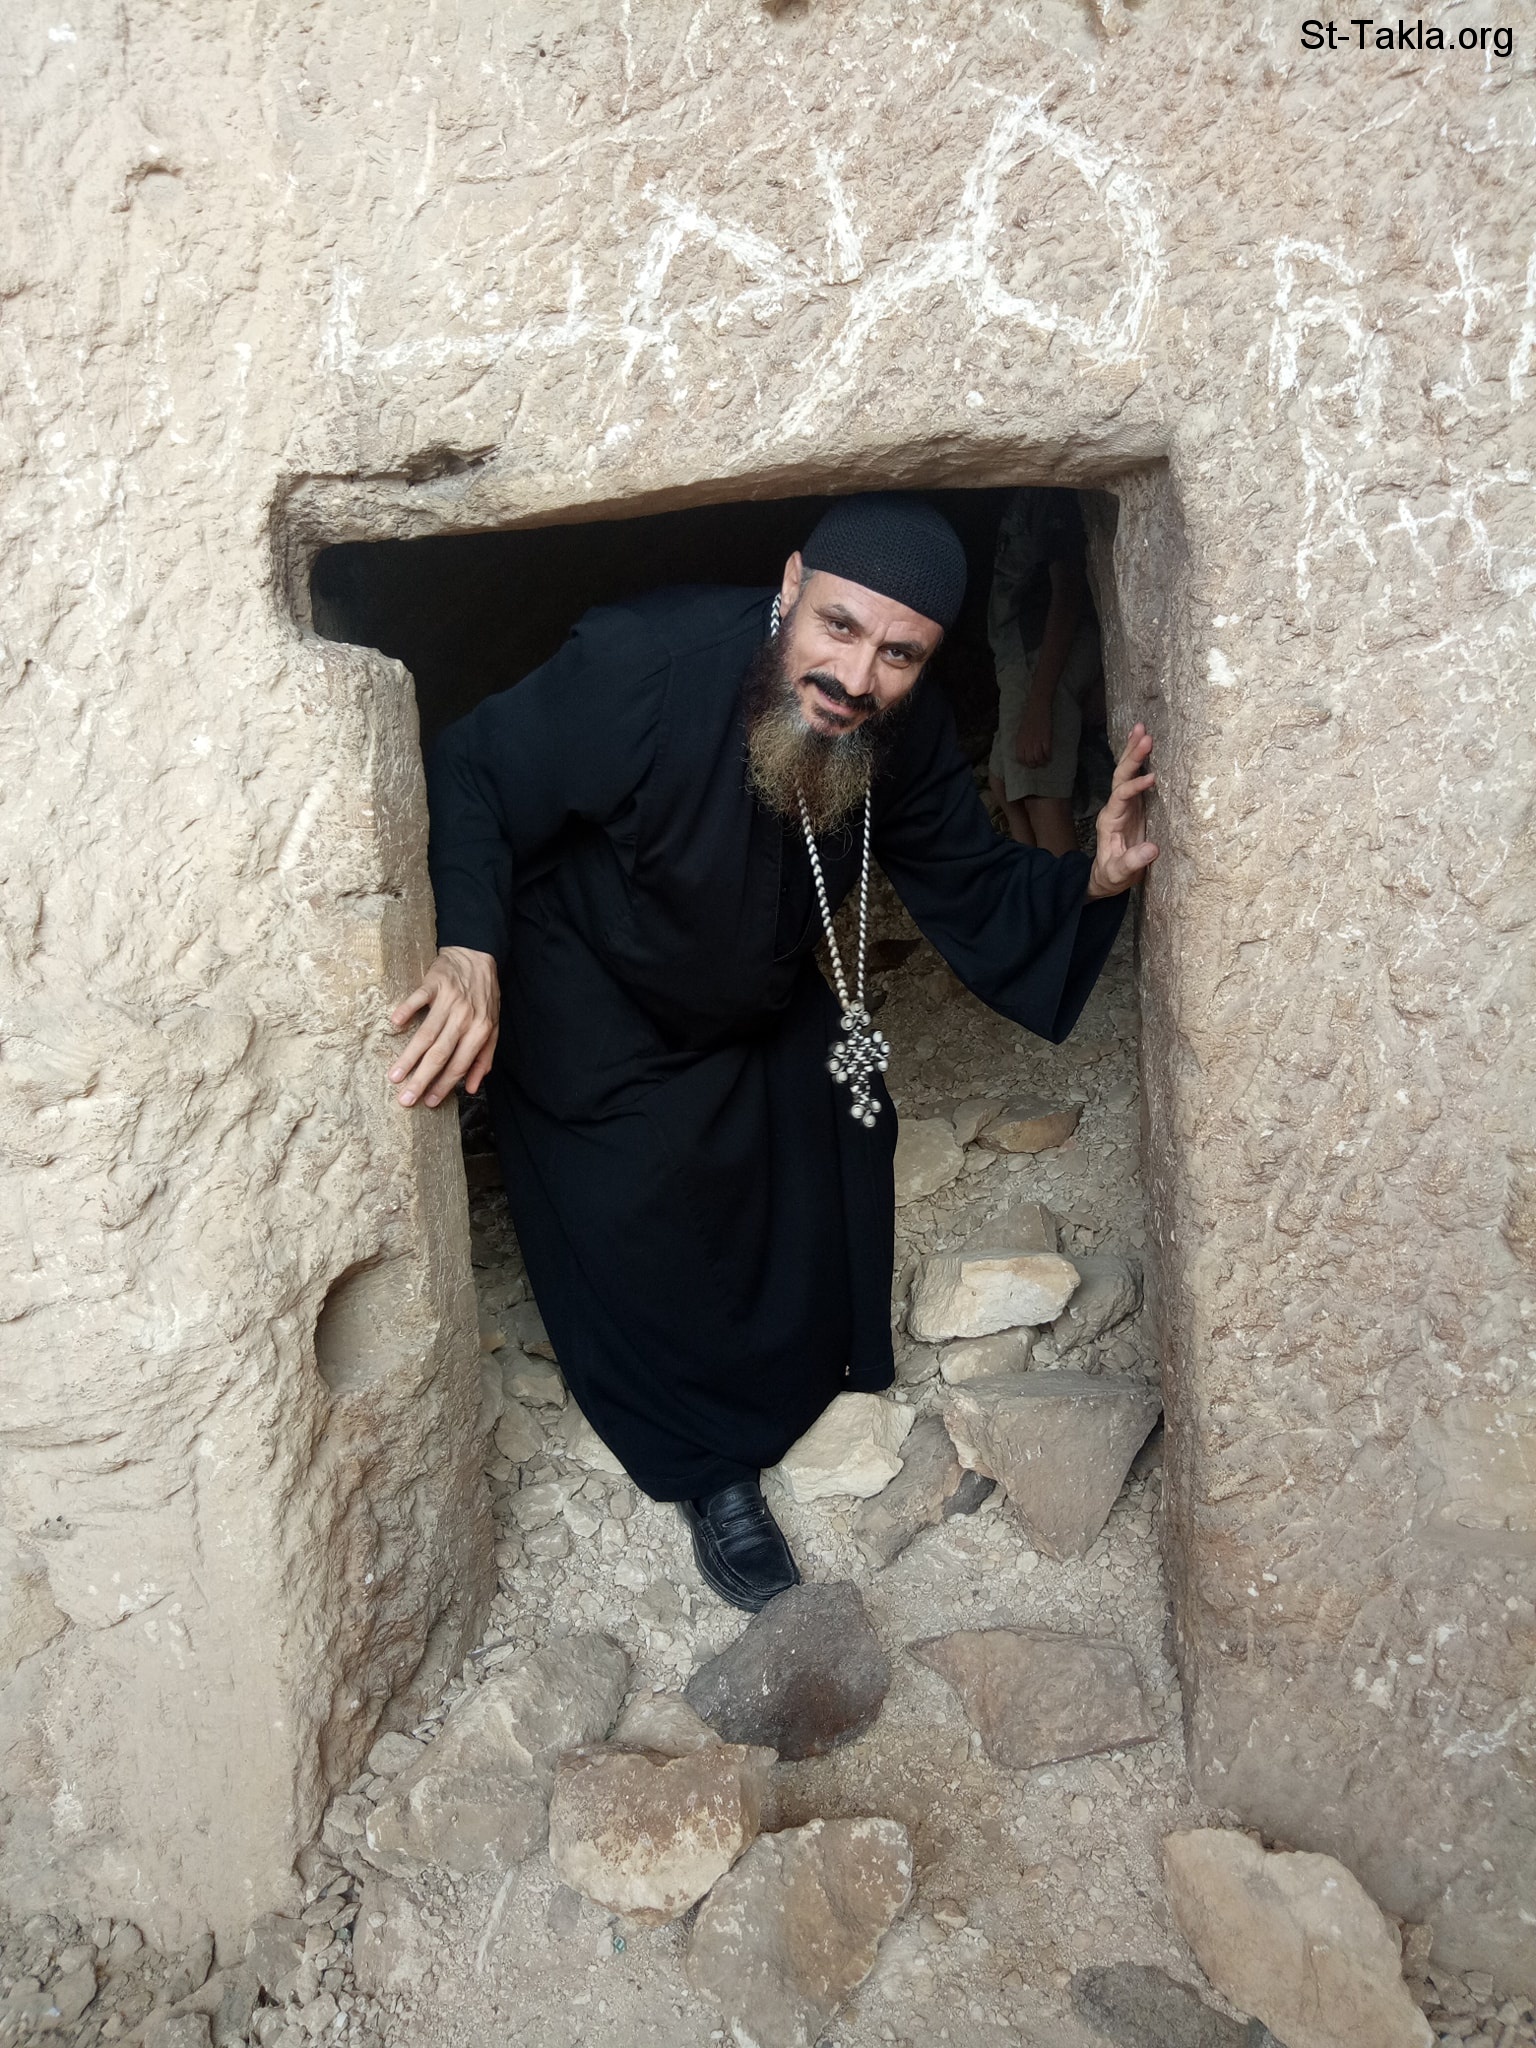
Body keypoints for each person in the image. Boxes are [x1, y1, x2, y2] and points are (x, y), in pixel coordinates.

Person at [388, 495, 1158, 1613]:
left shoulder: (899, 724)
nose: (856, 677)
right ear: (792, 586)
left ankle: (799, 1381)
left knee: (841, 1121)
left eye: (899, 653)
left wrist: (1091, 875)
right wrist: (469, 946)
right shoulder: (647, 659)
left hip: (746, 986)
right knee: (648, 1204)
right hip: (588, 982)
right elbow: (472, 770)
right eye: (838, 626)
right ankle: (709, 1469)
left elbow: (968, 875)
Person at [987, 487, 1104, 855]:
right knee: (1004, 783)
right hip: (1019, 656)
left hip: (1038, 658)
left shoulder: (1049, 498)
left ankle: (1059, 887)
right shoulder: (1024, 496)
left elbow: (1067, 592)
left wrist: (1039, 705)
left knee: (1041, 797)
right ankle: (1035, 881)